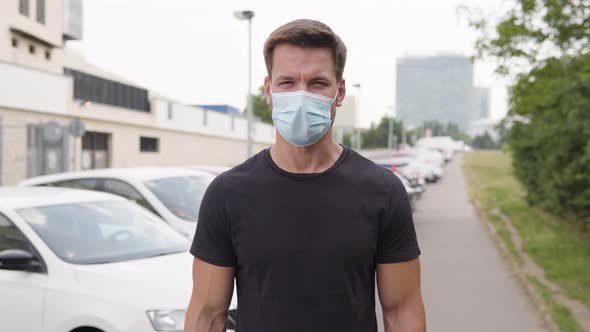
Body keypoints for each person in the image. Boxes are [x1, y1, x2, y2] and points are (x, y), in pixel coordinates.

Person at [184, 19, 425, 332]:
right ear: (269, 91)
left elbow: (402, 311)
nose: (301, 96)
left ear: (339, 92)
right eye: (287, 83)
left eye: (317, 83)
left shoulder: (383, 190)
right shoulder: (227, 194)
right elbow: (207, 314)